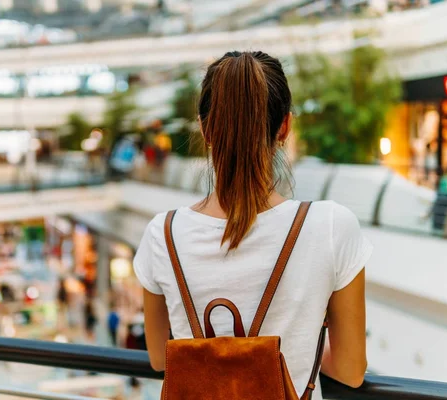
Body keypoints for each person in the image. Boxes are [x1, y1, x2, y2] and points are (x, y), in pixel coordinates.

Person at [134, 51, 371, 399]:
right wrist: (296, 347)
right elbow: (351, 372)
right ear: (285, 127)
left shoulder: (163, 233)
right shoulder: (332, 225)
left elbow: (159, 358)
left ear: (205, 129)